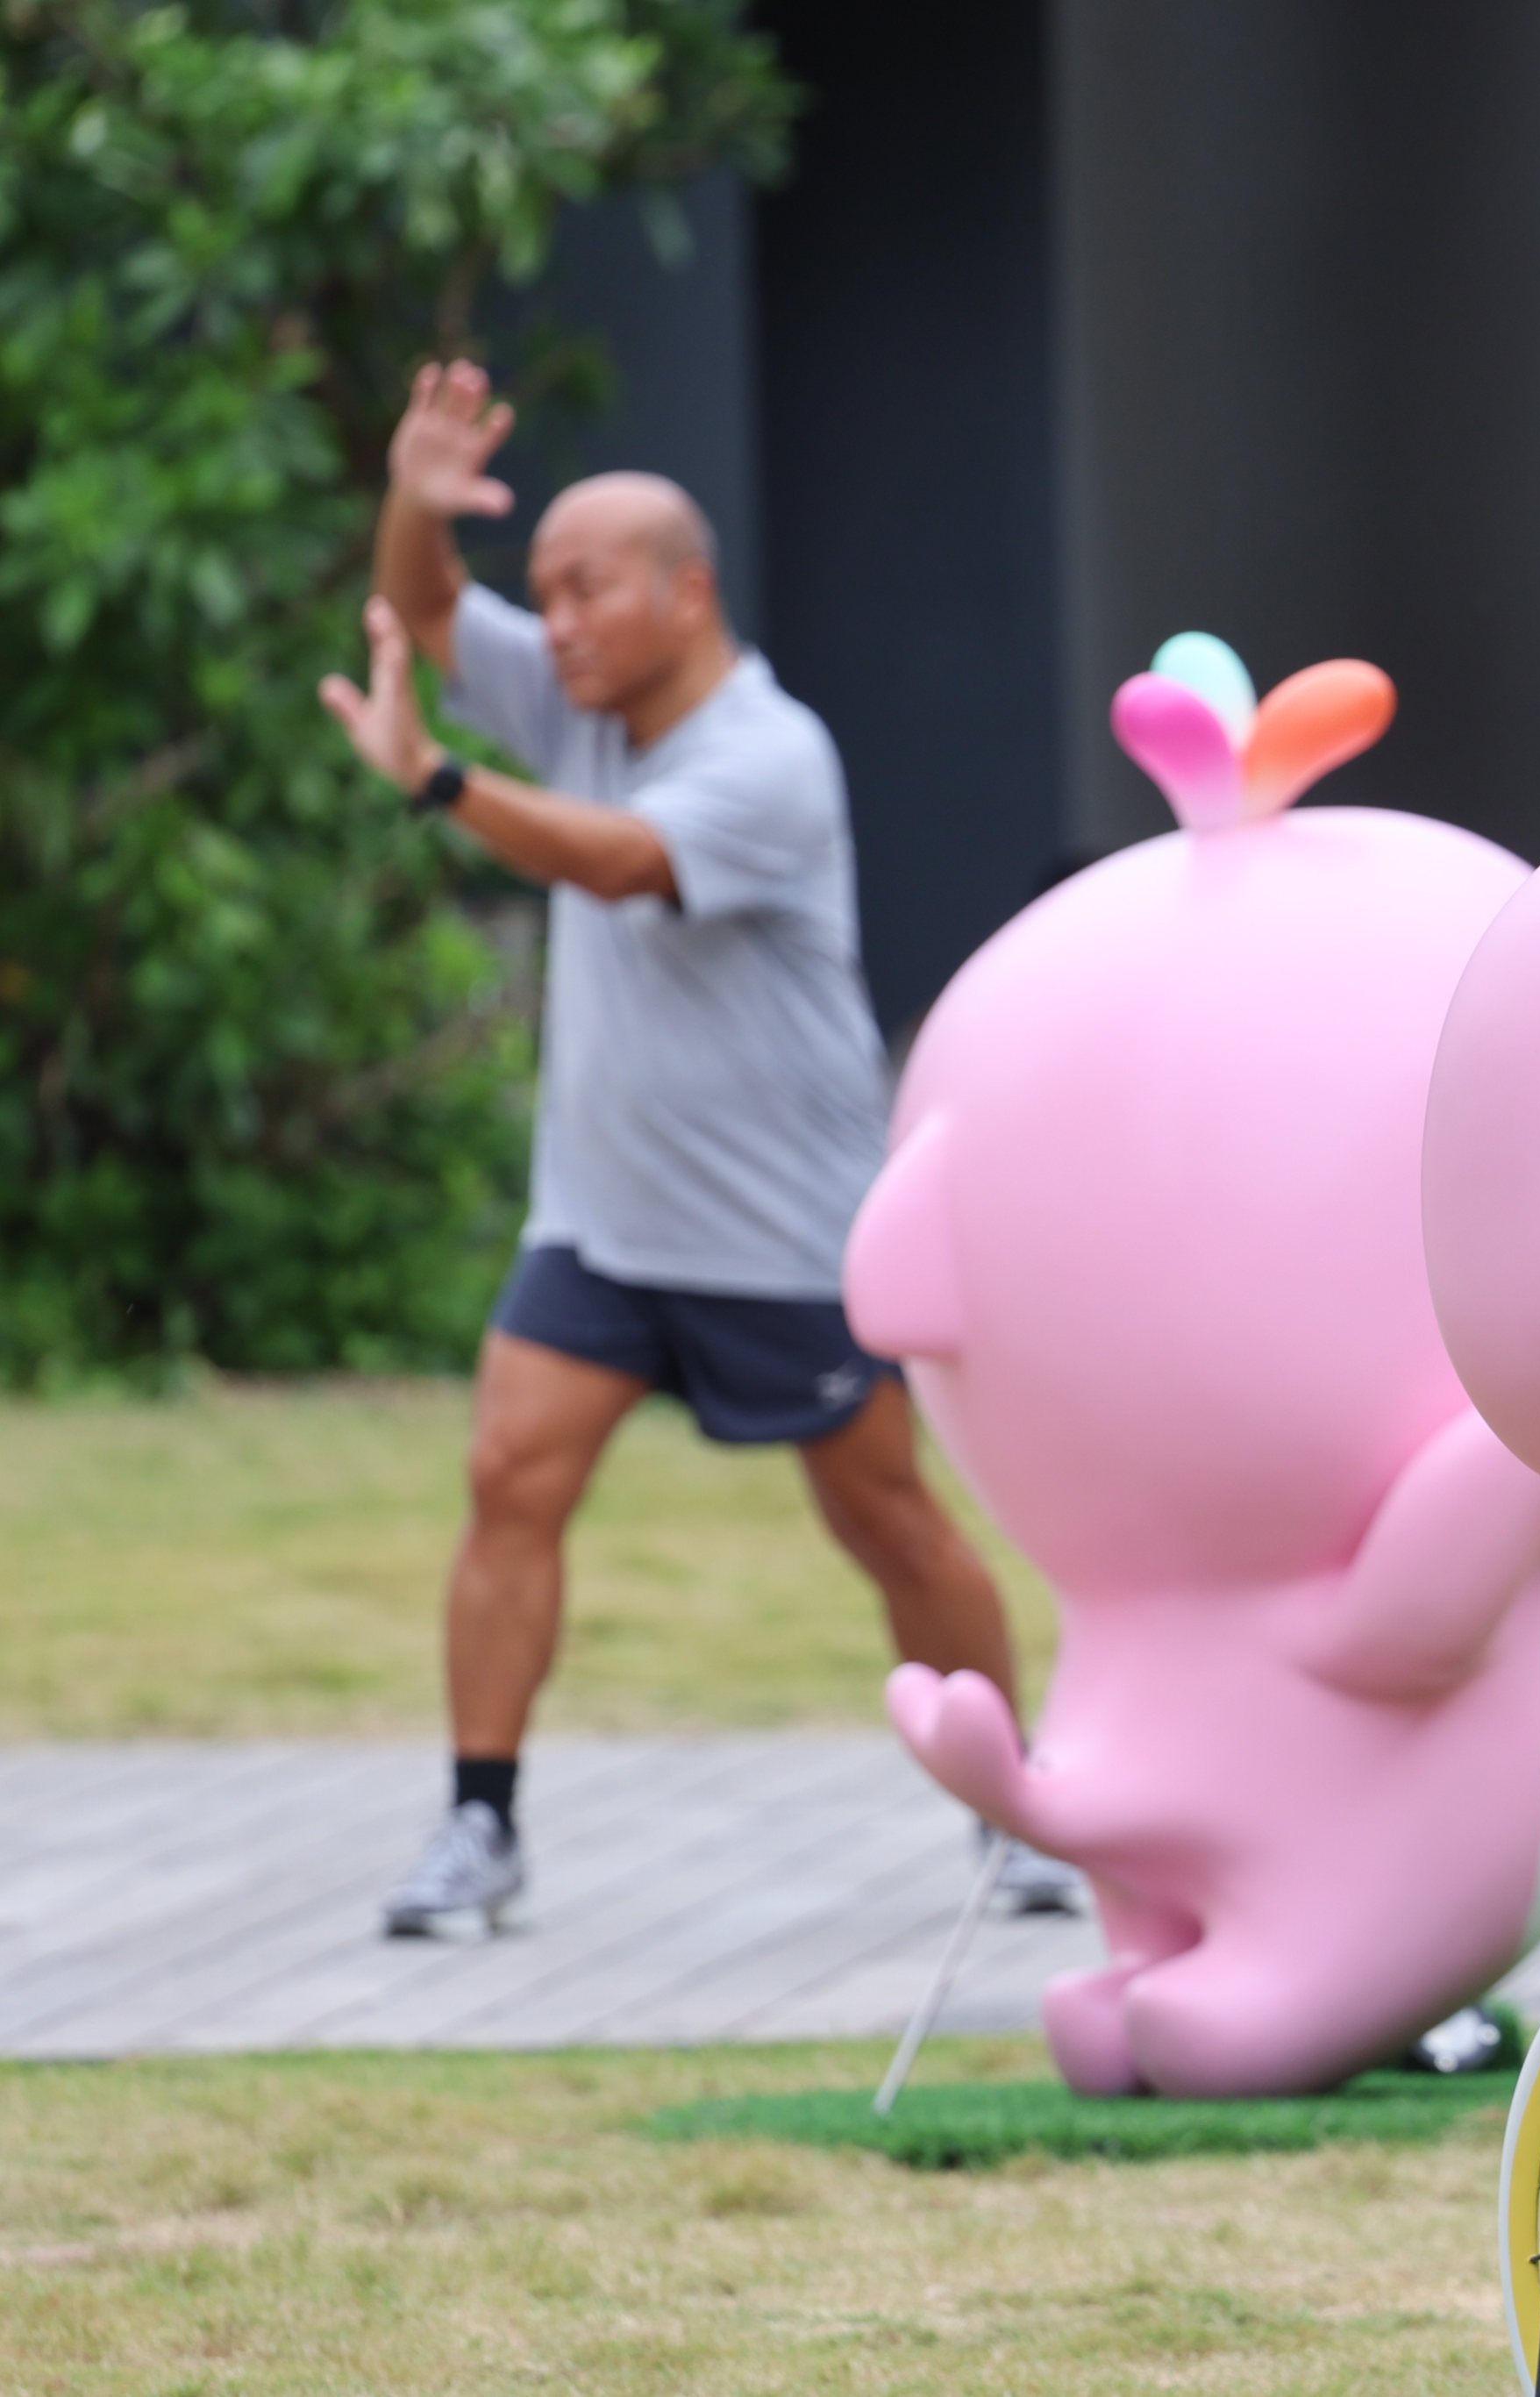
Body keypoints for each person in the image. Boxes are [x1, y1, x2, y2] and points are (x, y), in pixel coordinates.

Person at [320, 360, 1074, 1934]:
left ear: (686, 588)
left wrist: (439, 783)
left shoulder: (771, 755)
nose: (562, 624)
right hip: (598, 1223)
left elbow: (617, 862)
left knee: (887, 1520)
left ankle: (1024, 1821)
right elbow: (433, 607)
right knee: (507, 1475)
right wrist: (411, 496)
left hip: (782, 1233)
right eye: (549, 594)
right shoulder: (574, 699)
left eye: (588, 591)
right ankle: (480, 1828)